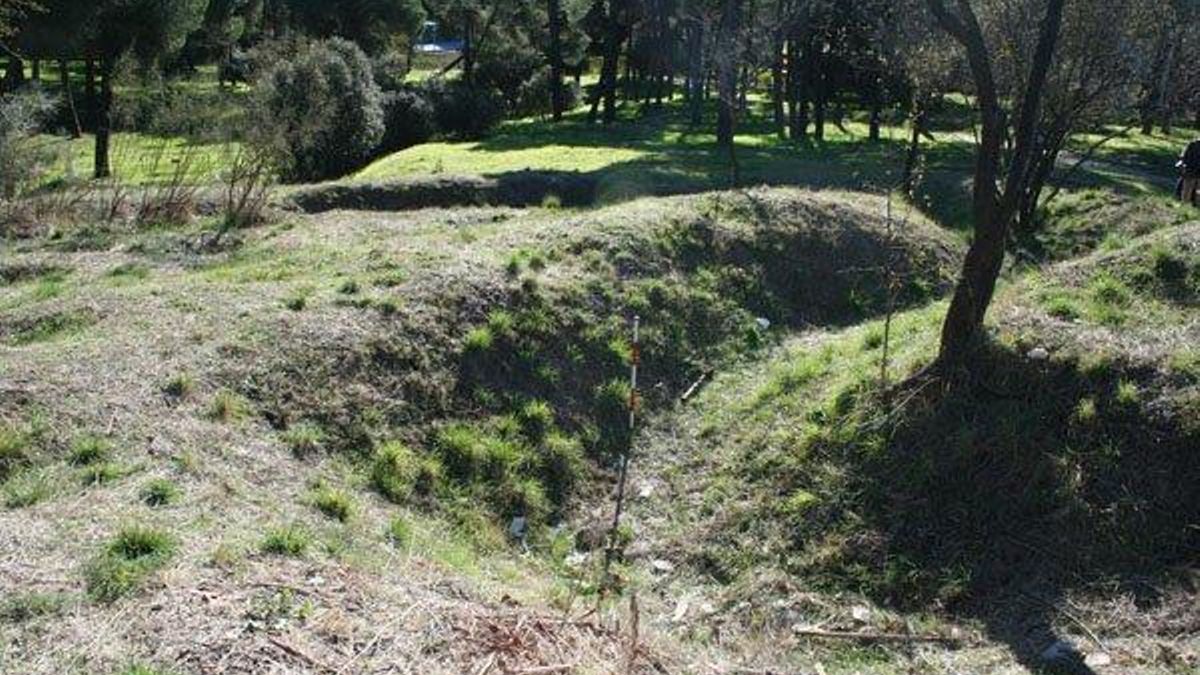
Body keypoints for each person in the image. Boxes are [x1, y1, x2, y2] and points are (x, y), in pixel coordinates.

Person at [1177, 139, 1200, 206]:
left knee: (1198, 192)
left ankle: (1196, 207)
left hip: (1193, 171)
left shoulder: (1193, 144)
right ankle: (1184, 206)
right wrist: (1183, 165)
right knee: (1187, 190)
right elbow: (1183, 156)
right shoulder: (1193, 144)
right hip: (1190, 170)